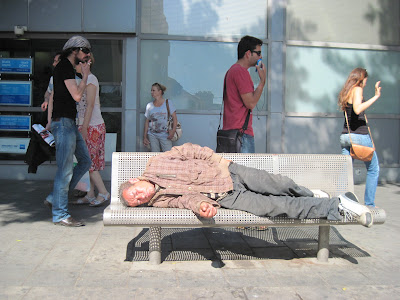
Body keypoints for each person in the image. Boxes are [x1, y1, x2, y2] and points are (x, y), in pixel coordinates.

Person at [119, 143, 374, 227]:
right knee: (277, 207)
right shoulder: (160, 200)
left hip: (229, 172)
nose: (141, 197)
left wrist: (218, 160)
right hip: (226, 198)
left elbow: (189, 150)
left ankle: (313, 195)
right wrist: (202, 206)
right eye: (137, 201)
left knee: (280, 183)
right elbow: (184, 200)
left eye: (136, 193)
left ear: (134, 180)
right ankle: (338, 206)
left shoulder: (156, 163)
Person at [44, 36, 93, 227]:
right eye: (86, 51)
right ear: (76, 50)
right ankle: (60, 214)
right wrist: (86, 75)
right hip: (64, 124)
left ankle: (53, 198)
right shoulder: (64, 66)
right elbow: (77, 95)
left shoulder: (68, 68)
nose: (88, 55)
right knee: (64, 171)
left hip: (68, 123)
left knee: (85, 161)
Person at [70, 53, 110, 207]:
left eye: (78, 63)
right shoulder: (84, 80)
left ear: (88, 63)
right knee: (88, 162)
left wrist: (84, 127)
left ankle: (104, 193)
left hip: (92, 126)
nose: (76, 66)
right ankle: (90, 194)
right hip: (87, 125)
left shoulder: (91, 80)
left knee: (89, 163)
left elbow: (90, 105)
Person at [338, 68, 382, 208]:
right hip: (359, 136)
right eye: (365, 81)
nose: (365, 84)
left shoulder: (347, 91)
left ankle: (340, 203)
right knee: (373, 169)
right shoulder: (357, 89)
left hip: (346, 136)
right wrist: (375, 96)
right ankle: (369, 204)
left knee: (345, 172)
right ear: (361, 79)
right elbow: (357, 109)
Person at [222, 35, 267, 153]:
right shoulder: (241, 72)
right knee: (245, 171)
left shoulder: (231, 71)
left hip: (230, 134)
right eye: (258, 53)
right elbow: (250, 103)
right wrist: (262, 82)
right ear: (248, 53)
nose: (261, 57)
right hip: (241, 136)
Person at [143, 83, 178, 152]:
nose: (151, 92)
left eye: (153, 90)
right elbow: (147, 121)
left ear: (160, 92)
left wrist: (173, 132)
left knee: (168, 155)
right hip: (152, 135)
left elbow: (175, 118)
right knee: (155, 155)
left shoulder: (168, 103)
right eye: (151, 90)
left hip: (165, 135)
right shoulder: (149, 105)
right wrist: (145, 137)